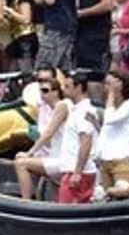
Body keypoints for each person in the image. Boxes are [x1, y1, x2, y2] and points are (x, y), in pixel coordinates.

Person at [14, 72, 97, 203]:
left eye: (46, 91)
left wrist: (29, 153)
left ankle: (26, 203)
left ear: (56, 92)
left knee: (21, 163)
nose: (43, 94)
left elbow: (49, 134)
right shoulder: (48, 108)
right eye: (41, 91)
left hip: (66, 162)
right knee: (57, 197)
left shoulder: (63, 106)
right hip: (62, 159)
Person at [96, 69, 129, 192]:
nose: (107, 88)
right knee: (106, 198)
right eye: (106, 84)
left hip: (122, 159)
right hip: (105, 160)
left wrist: (111, 95)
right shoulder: (111, 107)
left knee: (123, 193)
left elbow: (110, 119)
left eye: (110, 84)